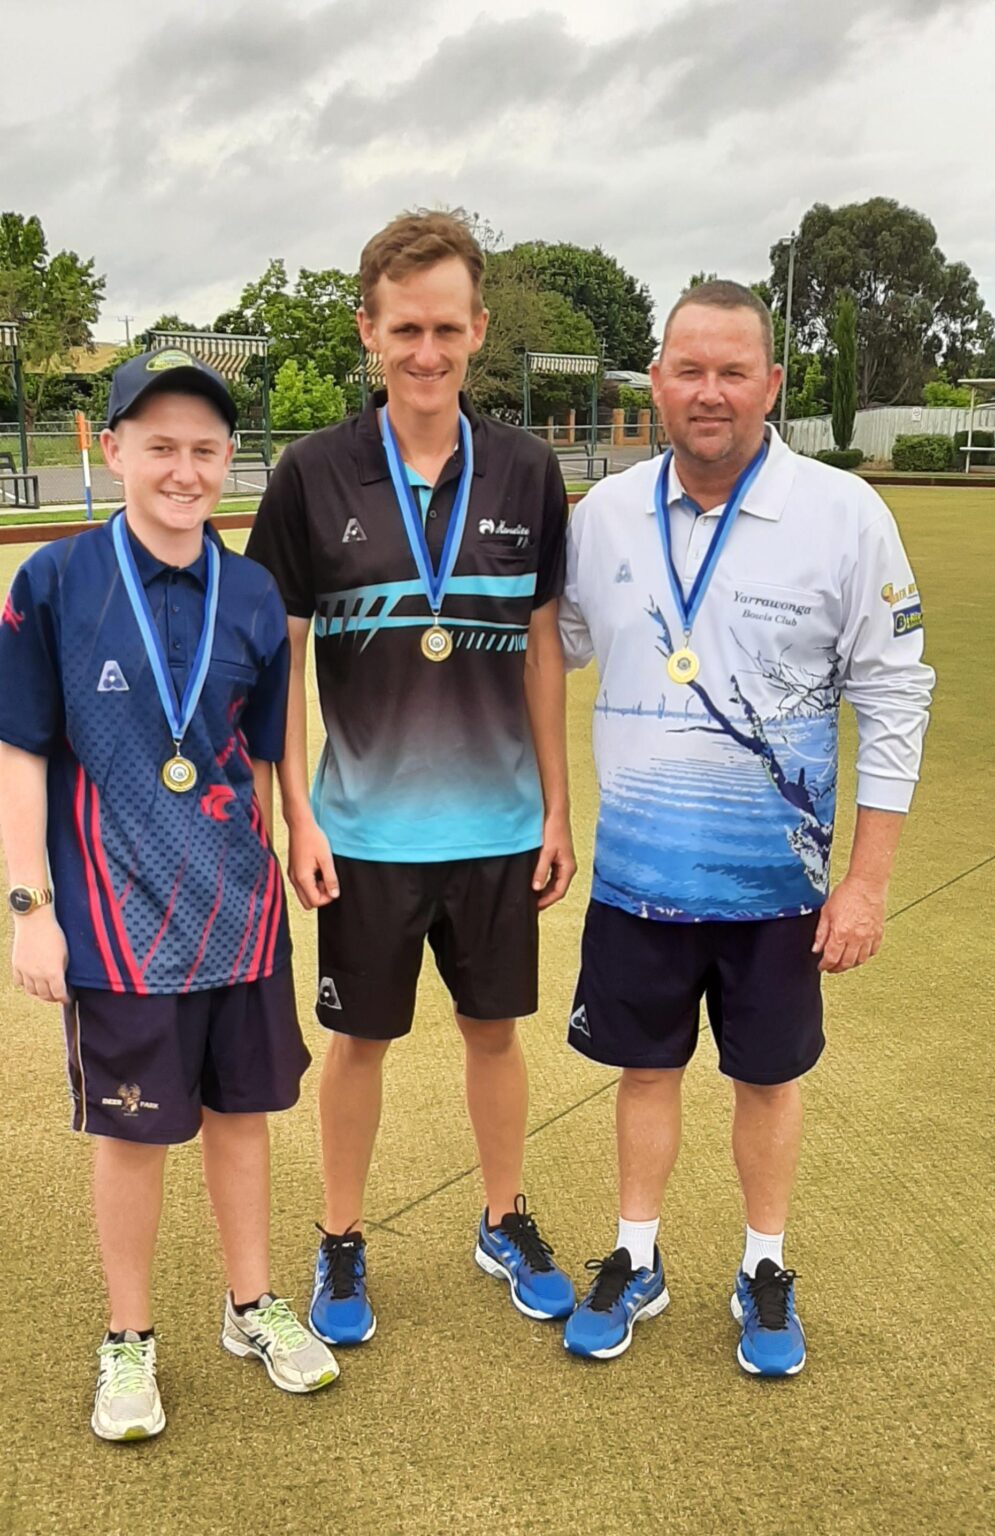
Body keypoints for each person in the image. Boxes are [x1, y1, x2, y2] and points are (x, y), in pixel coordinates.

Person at [558, 280, 934, 1372]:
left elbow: (894, 697)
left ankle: (762, 1267)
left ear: (770, 383)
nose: (708, 392)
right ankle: (636, 1255)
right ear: (656, 384)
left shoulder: (842, 515)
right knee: (644, 1071)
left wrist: (862, 884)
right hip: (636, 874)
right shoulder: (604, 516)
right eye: (687, 369)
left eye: (732, 371)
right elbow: (554, 647)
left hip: (779, 886)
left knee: (767, 1077)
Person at [246, 211, 576, 1345]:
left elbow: (539, 646)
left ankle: (501, 1217)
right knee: (359, 1044)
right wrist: (295, 814)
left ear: (477, 330)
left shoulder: (528, 472)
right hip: (365, 828)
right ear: (368, 332)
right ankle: (340, 1242)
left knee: (495, 1034)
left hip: (494, 827)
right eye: (404, 330)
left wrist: (554, 809)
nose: (425, 351)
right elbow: (279, 659)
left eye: (445, 327)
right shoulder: (309, 472)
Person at [0, 350, 338, 1443]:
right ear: (112, 452)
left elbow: (265, 737)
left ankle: (250, 1307)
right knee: (133, 1140)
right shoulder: (53, 583)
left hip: (240, 915)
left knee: (244, 1123)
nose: (184, 470)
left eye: (203, 448)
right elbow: (20, 753)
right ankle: (129, 1338)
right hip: (113, 926)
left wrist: (303, 823)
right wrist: (27, 905)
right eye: (159, 447)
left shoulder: (252, 591)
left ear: (227, 457)